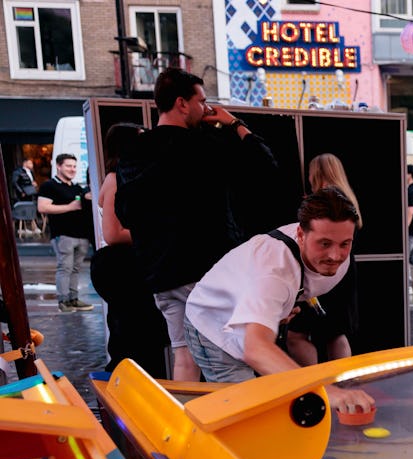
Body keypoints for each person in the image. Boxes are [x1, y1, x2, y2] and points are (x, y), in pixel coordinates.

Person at [116, 67, 276, 381]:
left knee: (184, 357)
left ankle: (182, 425)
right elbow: (264, 164)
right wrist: (234, 123)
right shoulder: (205, 146)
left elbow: (126, 213)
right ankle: (235, 425)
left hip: (161, 276)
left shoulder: (134, 151)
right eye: (201, 101)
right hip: (205, 274)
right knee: (229, 361)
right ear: (182, 103)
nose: (206, 108)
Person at [183, 188, 372, 413]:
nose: (335, 256)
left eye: (345, 244)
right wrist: (329, 392)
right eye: (324, 244)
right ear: (300, 235)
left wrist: (277, 309)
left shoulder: (336, 258)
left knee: (269, 402)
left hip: (247, 313)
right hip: (212, 324)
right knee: (245, 413)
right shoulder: (274, 272)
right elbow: (255, 349)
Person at [92, 122, 170, 376]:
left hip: (128, 266)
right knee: (134, 337)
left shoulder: (126, 178)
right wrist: (155, 234)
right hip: (124, 268)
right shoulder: (115, 180)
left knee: (138, 336)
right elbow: (113, 233)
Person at [286, 153, 361, 366]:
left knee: (296, 336)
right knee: (336, 333)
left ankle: (315, 382)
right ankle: (342, 384)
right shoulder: (346, 198)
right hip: (342, 270)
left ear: (316, 173)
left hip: (321, 272)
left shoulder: (322, 201)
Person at [37, 153, 95, 313]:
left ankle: (73, 299)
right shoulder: (49, 186)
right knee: (65, 268)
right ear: (59, 166)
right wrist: (70, 207)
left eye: (75, 166)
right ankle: (63, 301)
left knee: (75, 269)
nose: (72, 169)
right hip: (63, 235)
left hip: (81, 235)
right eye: (69, 166)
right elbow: (42, 207)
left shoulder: (76, 187)